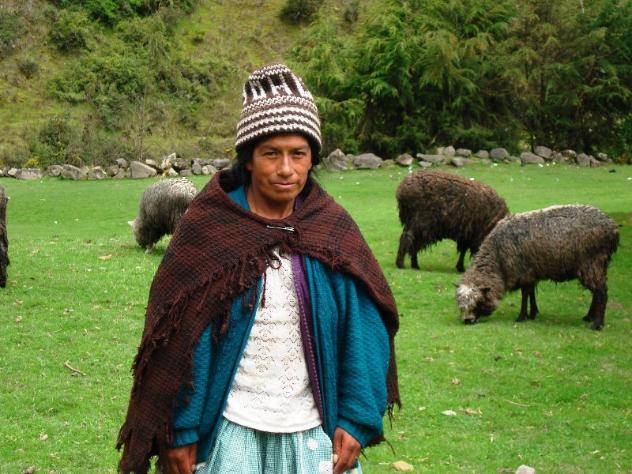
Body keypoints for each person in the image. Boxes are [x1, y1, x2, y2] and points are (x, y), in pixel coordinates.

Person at [117, 64, 400, 474]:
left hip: (312, 432)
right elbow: (182, 334)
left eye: (298, 153)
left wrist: (357, 417)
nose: (286, 168)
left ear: (312, 158)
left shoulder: (330, 228)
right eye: (271, 153)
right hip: (229, 430)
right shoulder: (210, 227)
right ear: (248, 159)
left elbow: (364, 325)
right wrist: (180, 428)